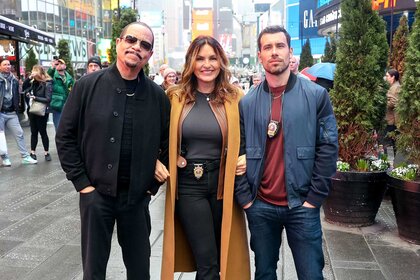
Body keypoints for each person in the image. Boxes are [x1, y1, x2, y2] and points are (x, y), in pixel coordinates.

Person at [55, 21, 170, 279]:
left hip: (137, 199)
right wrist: (83, 184)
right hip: (96, 196)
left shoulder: (157, 97)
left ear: (149, 54)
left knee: (140, 270)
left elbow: (169, 143)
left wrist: (150, 186)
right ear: (118, 43)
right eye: (131, 40)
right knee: (93, 271)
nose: (136, 47)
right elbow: (65, 136)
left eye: (145, 45)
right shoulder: (87, 85)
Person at [235, 25, 338, 280]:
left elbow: (328, 148)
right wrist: (247, 199)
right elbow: (237, 153)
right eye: (267, 47)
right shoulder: (247, 103)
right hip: (260, 205)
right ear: (259, 55)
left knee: (311, 274)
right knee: (264, 273)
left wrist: (314, 198)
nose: (274, 52)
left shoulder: (316, 95)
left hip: (302, 205)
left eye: (279, 46)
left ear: (290, 52)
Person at [160, 35, 250, 280]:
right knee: (207, 262)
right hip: (189, 185)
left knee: (226, 260)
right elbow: (155, 136)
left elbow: (251, 136)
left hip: (224, 185)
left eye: (212, 58)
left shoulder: (235, 98)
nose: (206, 64)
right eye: (200, 58)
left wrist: (249, 157)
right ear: (191, 62)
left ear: (221, 61)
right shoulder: (174, 97)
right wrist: (155, 162)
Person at [0, 58, 38, 166]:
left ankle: (25, 156)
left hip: (12, 112)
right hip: (1, 112)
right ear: (0, 67)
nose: (7, 66)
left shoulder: (15, 80)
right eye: (4, 64)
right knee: (1, 137)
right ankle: (5, 158)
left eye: (9, 64)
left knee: (20, 133)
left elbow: (20, 91)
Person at [22, 65, 53, 161]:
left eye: (35, 72)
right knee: (33, 132)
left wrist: (35, 98)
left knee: (43, 131)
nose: (33, 74)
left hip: (42, 111)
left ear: (40, 73)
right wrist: (29, 79)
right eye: (32, 72)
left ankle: (46, 152)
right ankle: (32, 152)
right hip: (32, 110)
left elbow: (48, 99)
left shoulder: (47, 83)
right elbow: (24, 87)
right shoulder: (33, 82)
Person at [48, 57, 74, 130]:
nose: (59, 64)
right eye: (57, 63)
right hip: (57, 106)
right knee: (59, 129)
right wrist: (52, 66)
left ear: (65, 66)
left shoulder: (69, 78)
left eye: (61, 63)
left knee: (68, 128)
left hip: (67, 106)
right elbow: (47, 76)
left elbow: (74, 90)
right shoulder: (53, 75)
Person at [384, 68, 401, 156]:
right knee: (390, 142)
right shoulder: (393, 87)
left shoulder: (396, 87)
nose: (386, 78)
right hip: (390, 119)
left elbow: (393, 103)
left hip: (393, 120)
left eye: (387, 76)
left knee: (393, 142)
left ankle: (395, 164)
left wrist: (382, 102)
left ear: (393, 77)